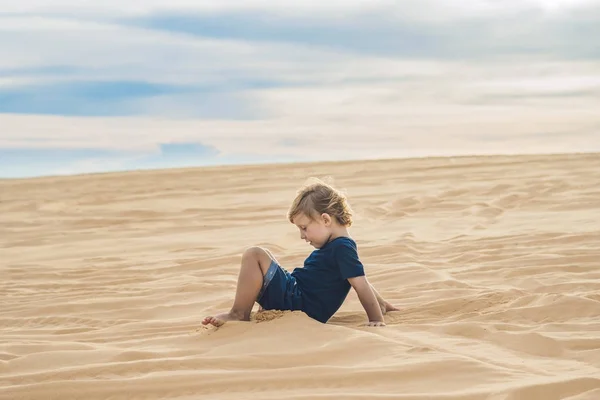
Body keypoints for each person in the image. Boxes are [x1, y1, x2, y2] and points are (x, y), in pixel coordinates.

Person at [202, 178, 398, 327]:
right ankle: (247, 307)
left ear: (326, 220)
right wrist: (382, 304)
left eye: (304, 228)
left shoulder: (342, 247)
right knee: (265, 257)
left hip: (300, 303)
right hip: (296, 294)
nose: (302, 236)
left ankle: (239, 313)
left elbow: (360, 284)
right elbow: (356, 278)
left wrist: (376, 319)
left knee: (255, 254)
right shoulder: (338, 246)